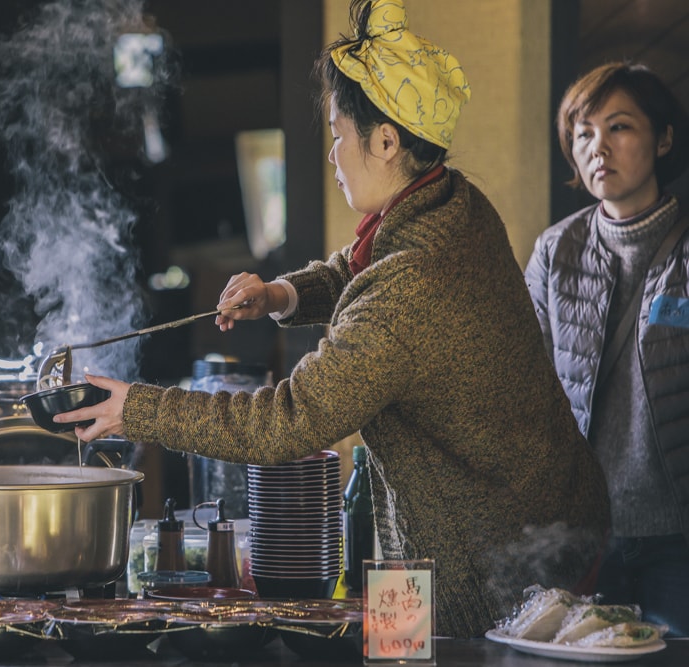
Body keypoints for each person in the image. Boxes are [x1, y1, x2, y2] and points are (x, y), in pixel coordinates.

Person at [57, 0, 609, 638]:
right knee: (395, 645)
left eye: (338, 135)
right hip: (484, 517)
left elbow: (288, 420)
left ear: (385, 140)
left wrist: (138, 409)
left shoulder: (411, 286)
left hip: (494, 558)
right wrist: (280, 294)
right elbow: (355, 270)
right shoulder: (452, 201)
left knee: (437, 654)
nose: (332, 154)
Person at [524, 62, 689, 637]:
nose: (598, 148)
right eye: (583, 132)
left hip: (677, 539)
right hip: (584, 540)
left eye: (619, 128)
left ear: (663, 138)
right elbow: (525, 383)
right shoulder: (556, 251)